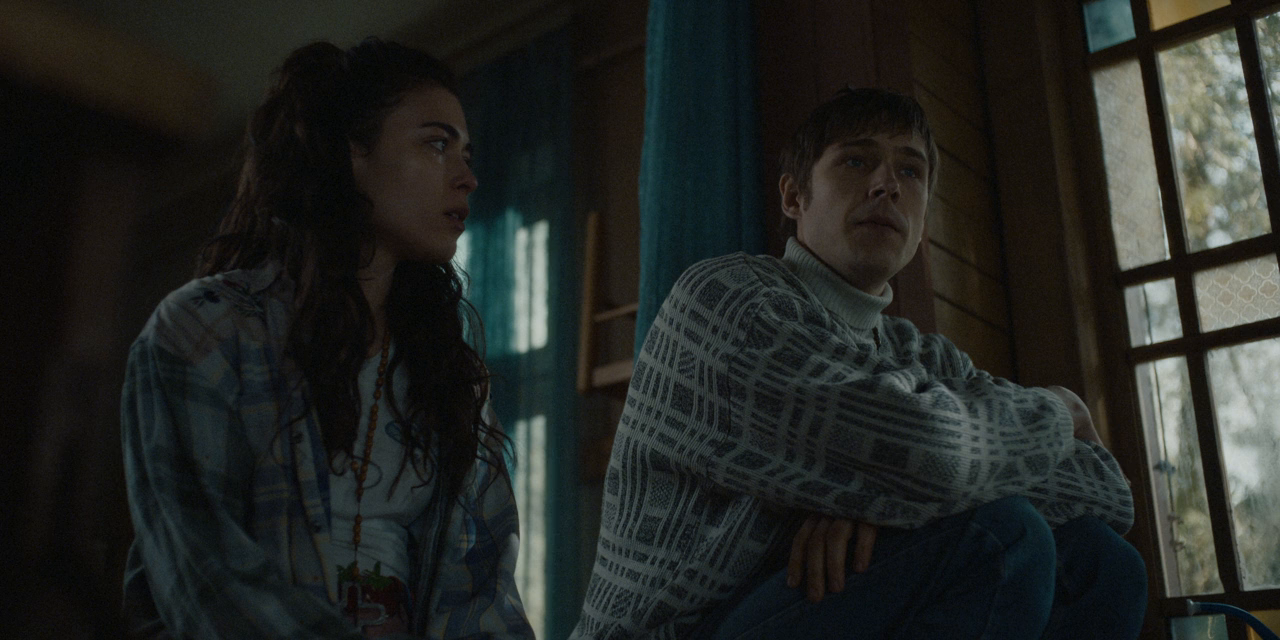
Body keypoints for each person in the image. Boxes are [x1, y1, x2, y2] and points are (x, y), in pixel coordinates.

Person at [570, 87, 1147, 639]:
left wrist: (885, 497)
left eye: (910, 172)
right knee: (1001, 536)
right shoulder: (730, 302)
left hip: (795, 610)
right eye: (855, 161)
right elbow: (931, 454)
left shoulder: (922, 355)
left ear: (923, 223)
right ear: (793, 197)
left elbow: (1107, 492)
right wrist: (1061, 410)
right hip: (677, 630)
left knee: (1102, 561)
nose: (886, 185)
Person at [120, 38, 533, 638]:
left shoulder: (452, 380)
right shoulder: (205, 332)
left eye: (466, 154)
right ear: (349, 152)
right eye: (436, 144)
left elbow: (484, 594)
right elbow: (207, 579)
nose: (467, 178)